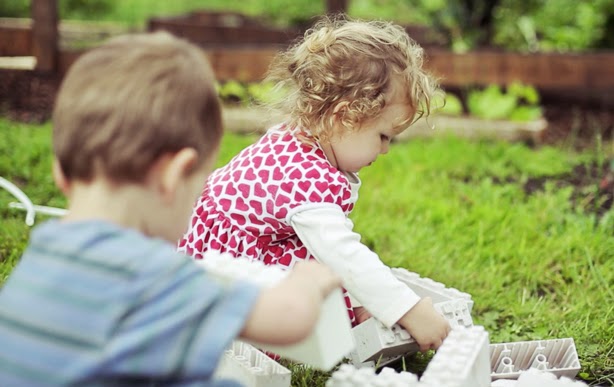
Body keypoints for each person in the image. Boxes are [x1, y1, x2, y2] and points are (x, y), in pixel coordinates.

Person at [0, 32, 341, 386]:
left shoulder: (37, 259)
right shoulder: (153, 275)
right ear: (173, 177)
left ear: (61, 174)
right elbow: (288, 319)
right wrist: (308, 281)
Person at [178, 16, 451, 352]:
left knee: (318, 261)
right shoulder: (306, 183)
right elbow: (343, 255)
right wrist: (409, 309)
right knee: (323, 272)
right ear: (343, 116)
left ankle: (358, 307)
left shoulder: (298, 139)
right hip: (229, 268)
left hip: (214, 242)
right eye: (382, 136)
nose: (384, 150)